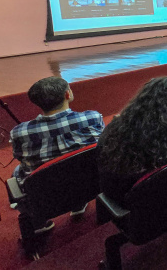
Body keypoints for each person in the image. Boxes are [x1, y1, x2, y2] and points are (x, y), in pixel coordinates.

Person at [10, 77, 104, 231]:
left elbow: (19, 156)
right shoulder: (93, 118)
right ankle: (79, 204)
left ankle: (38, 224)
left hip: (47, 198)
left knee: (16, 172)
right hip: (92, 185)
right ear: (68, 95)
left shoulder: (19, 132)